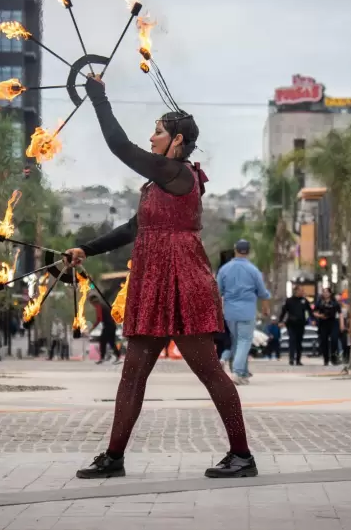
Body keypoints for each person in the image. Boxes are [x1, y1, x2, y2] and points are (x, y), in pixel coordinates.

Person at [67, 74, 255, 480]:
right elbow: (133, 229)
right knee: (132, 372)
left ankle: (242, 455)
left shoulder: (178, 174)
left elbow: (119, 146)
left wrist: (99, 97)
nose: (151, 138)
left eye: (157, 132)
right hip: (153, 281)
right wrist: (87, 249)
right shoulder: (157, 183)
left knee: (209, 372)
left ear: (178, 142)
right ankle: (113, 457)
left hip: (182, 280)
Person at [216, 239, 271, 385]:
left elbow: (217, 291)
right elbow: (263, 293)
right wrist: (266, 308)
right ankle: (238, 372)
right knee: (245, 341)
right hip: (247, 311)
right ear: (249, 251)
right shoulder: (253, 270)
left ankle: (237, 368)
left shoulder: (224, 269)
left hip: (229, 312)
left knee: (236, 341)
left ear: (235, 249)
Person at [279, 277, 311, 366]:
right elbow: (284, 311)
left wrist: (311, 320)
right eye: (300, 290)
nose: (302, 292)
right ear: (296, 291)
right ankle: (291, 359)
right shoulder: (289, 301)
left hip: (301, 324)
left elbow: (309, 312)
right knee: (292, 340)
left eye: (303, 291)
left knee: (299, 342)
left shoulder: (304, 301)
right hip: (291, 324)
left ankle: (298, 359)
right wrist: (281, 321)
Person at [90, 291, 121, 364]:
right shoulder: (104, 305)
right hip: (112, 325)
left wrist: (92, 328)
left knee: (103, 341)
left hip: (108, 326)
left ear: (92, 302)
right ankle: (117, 357)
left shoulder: (99, 306)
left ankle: (103, 358)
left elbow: (99, 319)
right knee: (111, 342)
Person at [313, 287, 341, 365]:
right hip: (323, 323)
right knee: (324, 341)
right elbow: (314, 312)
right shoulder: (319, 302)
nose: (325, 294)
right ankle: (326, 359)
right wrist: (320, 316)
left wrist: (341, 324)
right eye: (324, 292)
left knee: (334, 340)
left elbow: (340, 313)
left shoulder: (334, 302)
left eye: (327, 292)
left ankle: (333, 358)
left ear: (330, 293)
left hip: (333, 322)